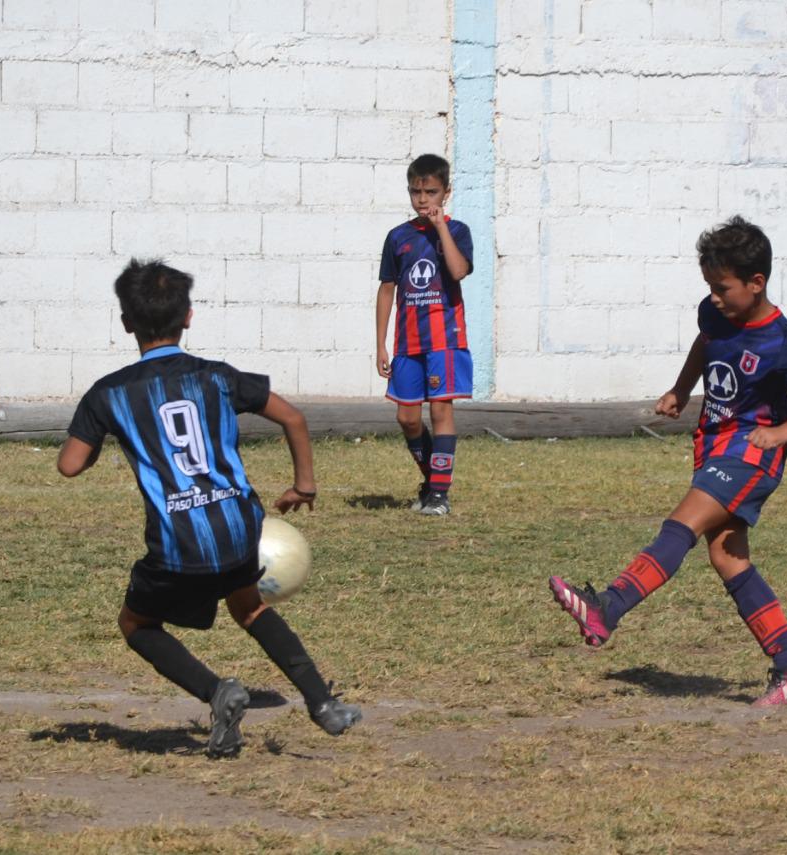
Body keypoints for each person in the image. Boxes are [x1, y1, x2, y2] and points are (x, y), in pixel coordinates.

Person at [57, 259, 361, 758]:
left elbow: (70, 465)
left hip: (179, 541)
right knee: (250, 606)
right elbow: (293, 417)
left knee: (136, 625)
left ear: (126, 322)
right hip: (239, 524)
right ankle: (323, 702)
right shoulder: (216, 377)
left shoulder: (108, 393)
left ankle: (217, 691)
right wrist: (303, 486)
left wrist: (97, 441)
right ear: (189, 317)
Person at [548, 216, 787, 707]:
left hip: (751, 454)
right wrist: (682, 389)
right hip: (716, 445)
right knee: (727, 555)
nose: (714, 297)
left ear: (756, 282)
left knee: (682, 523)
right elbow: (706, 343)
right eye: (709, 287)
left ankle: (608, 608)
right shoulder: (715, 313)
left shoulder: (782, 342)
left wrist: (780, 434)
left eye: (722, 287)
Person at [375, 153, 475, 516]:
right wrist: (380, 344)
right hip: (408, 342)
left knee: (440, 410)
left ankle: (439, 495)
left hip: (444, 339)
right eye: (416, 192)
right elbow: (387, 289)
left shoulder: (458, 231)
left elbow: (458, 270)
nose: (422, 199)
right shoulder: (398, 237)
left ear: (445, 193)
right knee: (407, 418)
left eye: (430, 192)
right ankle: (433, 481)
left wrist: (441, 229)